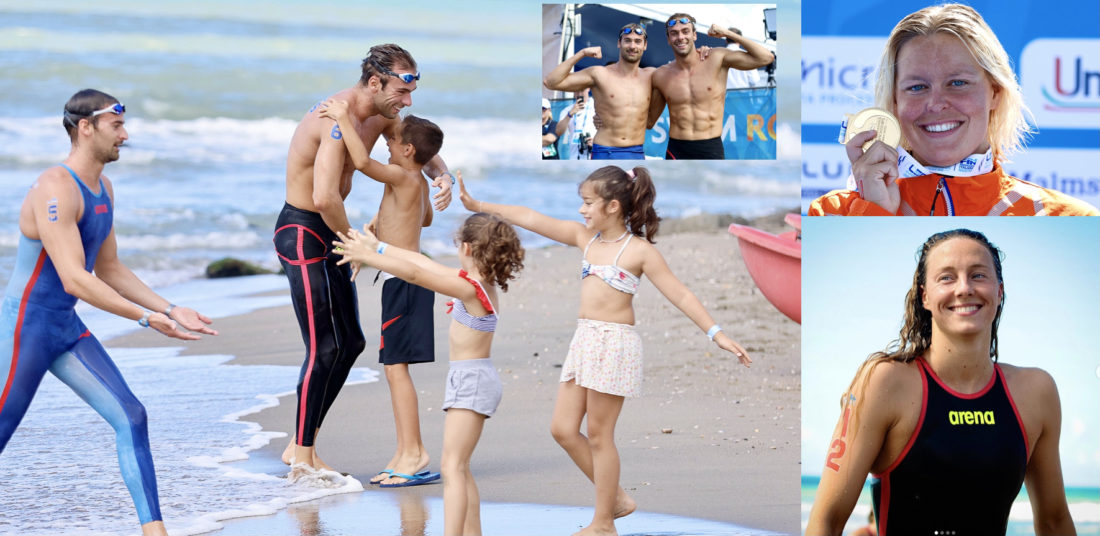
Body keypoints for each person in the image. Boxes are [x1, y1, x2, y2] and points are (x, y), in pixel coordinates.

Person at [458, 165, 751, 536]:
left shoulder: (638, 251)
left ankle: (603, 523)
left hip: (615, 343)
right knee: (563, 429)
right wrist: (477, 203)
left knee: (599, 435)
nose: (581, 210)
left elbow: (679, 293)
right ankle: (615, 498)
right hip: (585, 340)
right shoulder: (587, 240)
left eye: (587, 203)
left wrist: (717, 333)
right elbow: (532, 218)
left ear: (612, 206)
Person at [0, 89, 217, 536]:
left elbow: (110, 268)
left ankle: (154, 531)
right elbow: (74, 279)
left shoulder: (102, 188)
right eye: (116, 126)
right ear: (86, 127)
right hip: (26, 327)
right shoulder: (54, 188)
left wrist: (172, 308)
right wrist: (143, 318)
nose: (125, 135)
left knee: (131, 415)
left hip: (64, 330)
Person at [806, 229, 1076, 535]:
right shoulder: (885, 382)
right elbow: (826, 520)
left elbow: (1054, 522)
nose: (964, 288)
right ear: (925, 296)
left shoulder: (1036, 392)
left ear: (999, 291)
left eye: (978, 275)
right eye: (946, 277)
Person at [275, 43, 454, 479]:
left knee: (349, 343)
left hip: (335, 235)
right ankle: (301, 452)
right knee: (324, 346)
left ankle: (303, 445)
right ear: (375, 82)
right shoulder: (335, 120)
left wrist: (441, 175)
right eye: (401, 90)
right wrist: (358, 244)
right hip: (304, 232)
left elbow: (416, 149)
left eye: (411, 91)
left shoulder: (383, 114)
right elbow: (323, 196)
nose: (407, 102)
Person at [333, 210, 524, 536]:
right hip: (471, 380)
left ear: (467, 248)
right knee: (460, 468)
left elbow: (416, 276)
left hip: (472, 382)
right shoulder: (473, 282)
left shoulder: (471, 288)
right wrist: (378, 248)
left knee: (452, 467)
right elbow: (421, 263)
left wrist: (370, 257)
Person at [808, 4, 1098, 216]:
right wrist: (873, 212)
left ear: (995, 92)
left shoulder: (1070, 219)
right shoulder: (832, 213)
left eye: (957, 83)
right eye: (917, 87)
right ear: (895, 104)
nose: (936, 103)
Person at [317, 98, 446, 487]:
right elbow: (423, 217)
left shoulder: (402, 176)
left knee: (395, 370)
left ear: (407, 151)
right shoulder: (415, 182)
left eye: (393, 141)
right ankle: (405, 451)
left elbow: (361, 163)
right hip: (406, 278)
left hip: (403, 280)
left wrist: (343, 118)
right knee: (395, 368)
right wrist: (376, 230)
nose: (386, 144)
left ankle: (415, 454)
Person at [649, 13, 773, 159]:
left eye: (685, 31)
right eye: (674, 33)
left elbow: (766, 57)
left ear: (695, 35)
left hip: (710, 148)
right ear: (669, 39)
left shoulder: (716, 58)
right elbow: (649, 122)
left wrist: (729, 34)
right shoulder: (660, 75)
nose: (680, 37)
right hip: (676, 150)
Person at [545, 23, 656, 160]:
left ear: (644, 45)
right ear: (619, 43)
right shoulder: (599, 74)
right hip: (604, 151)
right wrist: (582, 53)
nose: (632, 46)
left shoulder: (652, 76)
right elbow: (551, 82)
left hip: (636, 152)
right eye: (627, 40)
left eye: (637, 41)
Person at [556, 89, 598, 160]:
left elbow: (609, 131)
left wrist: (596, 142)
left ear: (588, 89)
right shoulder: (567, 110)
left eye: (582, 90)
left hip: (593, 155)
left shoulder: (597, 107)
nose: (579, 94)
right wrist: (570, 114)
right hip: (574, 156)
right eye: (576, 91)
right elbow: (558, 132)